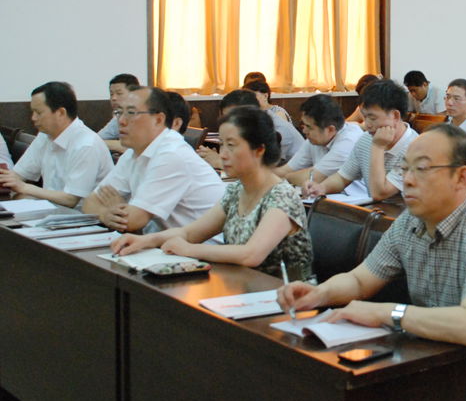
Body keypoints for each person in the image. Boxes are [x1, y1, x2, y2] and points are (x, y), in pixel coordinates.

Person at [277, 124, 466, 401]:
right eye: (405, 169)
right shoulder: (410, 221)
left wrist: (386, 313)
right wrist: (318, 294)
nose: (408, 180)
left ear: (461, 177)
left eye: (422, 169)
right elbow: (360, 279)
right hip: (434, 362)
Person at [109, 107, 313, 279]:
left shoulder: (282, 196)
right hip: (241, 286)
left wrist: (189, 249)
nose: (222, 154)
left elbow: (251, 255)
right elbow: (190, 233)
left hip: (285, 296)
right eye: (222, 144)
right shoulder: (237, 190)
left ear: (259, 150)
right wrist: (145, 241)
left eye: (231, 145)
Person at [82, 86, 225, 233]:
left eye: (131, 113)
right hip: (164, 242)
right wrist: (105, 214)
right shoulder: (133, 152)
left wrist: (116, 210)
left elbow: (132, 221)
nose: (122, 121)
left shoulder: (171, 154)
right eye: (119, 113)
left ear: (158, 120)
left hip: (200, 245)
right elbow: (90, 202)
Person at [0, 81, 112, 208]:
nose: (33, 118)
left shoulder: (86, 144)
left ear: (61, 113)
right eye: (32, 112)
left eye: (38, 113)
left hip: (82, 216)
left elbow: (70, 199)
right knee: (19, 199)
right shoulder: (45, 136)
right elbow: (18, 175)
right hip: (51, 210)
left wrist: (24, 187)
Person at [307, 80, 418, 201]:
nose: (367, 125)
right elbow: (343, 177)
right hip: (375, 210)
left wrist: (378, 147)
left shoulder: (415, 148)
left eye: (372, 118)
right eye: (365, 117)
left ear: (395, 116)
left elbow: (379, 193)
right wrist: (321, 188)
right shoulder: (367, 138)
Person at [197, 90, 303, 168]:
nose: (229, 123)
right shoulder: (247, 129)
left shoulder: (277, 129)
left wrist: (220, 162)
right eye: (225, 117)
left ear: (253, 114)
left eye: (235, 118)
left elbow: (265, 170)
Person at [276, 94, 364, 187]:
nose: (304, 131)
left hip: (354, 195)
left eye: (309, 127)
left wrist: (285, 177)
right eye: (303, 125)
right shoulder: (316, 139)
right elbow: (287, 170)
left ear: (330, 129)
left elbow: (314, 178)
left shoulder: (349, 141)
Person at [98, 73, 140, 153]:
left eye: (119, 93)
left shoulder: (143, 116)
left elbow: (135, 147)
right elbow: (98, 138)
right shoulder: (118, 116)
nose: (113, 98)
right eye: (111, 94)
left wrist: (103, 143)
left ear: (134, 94)